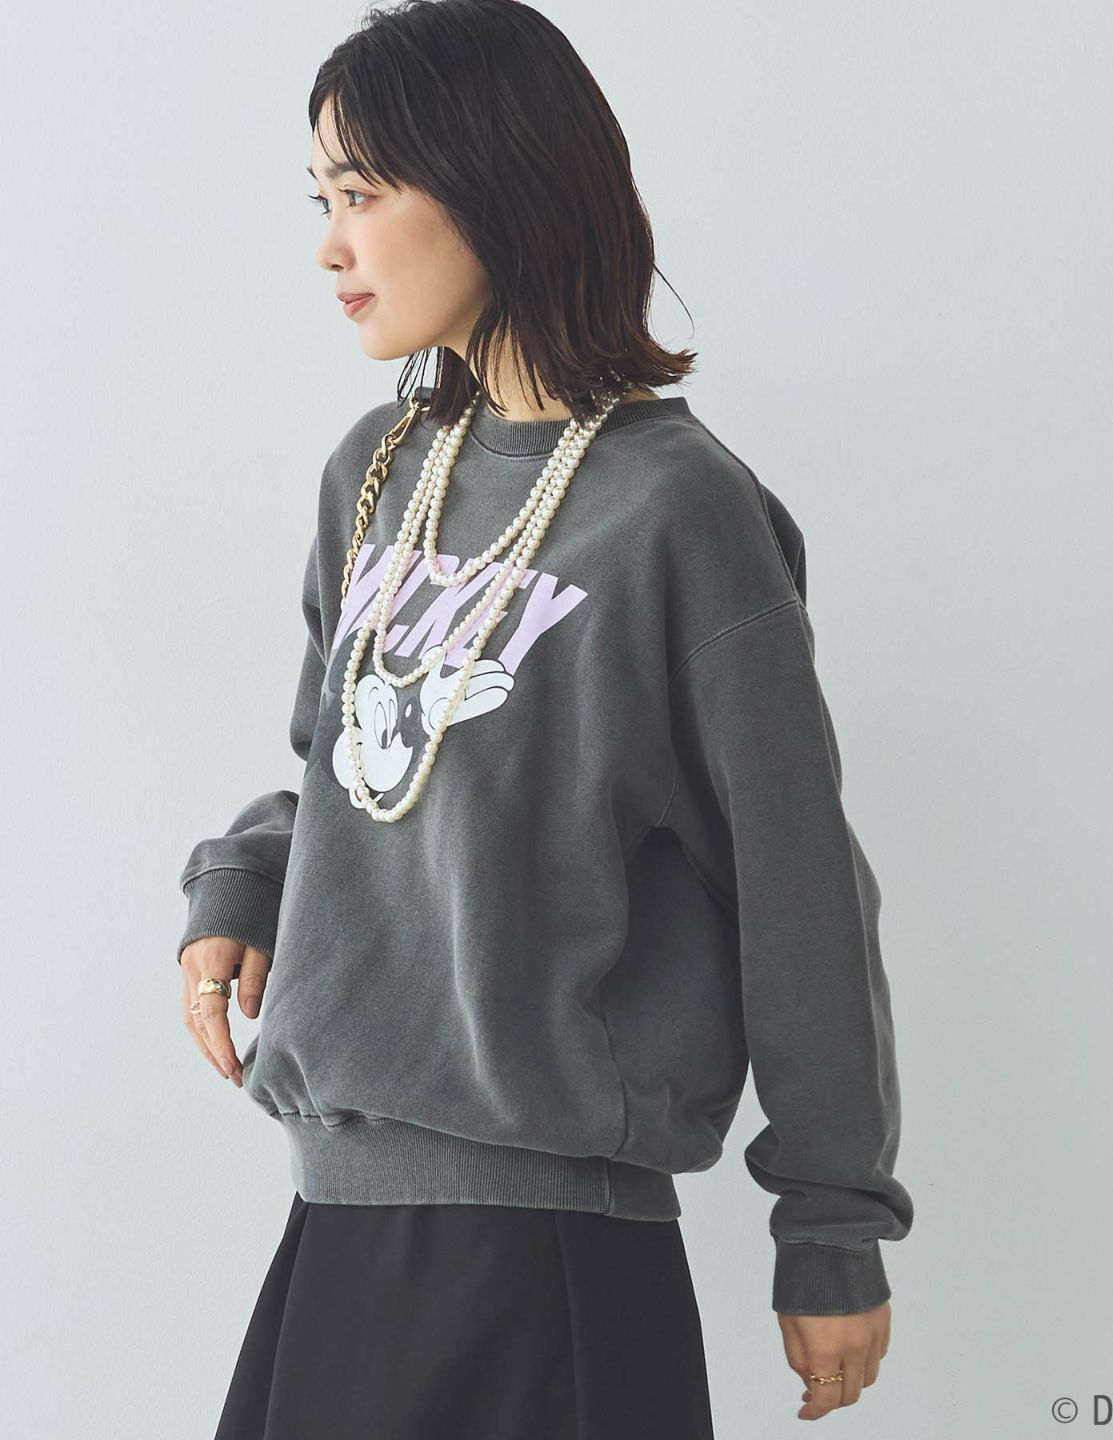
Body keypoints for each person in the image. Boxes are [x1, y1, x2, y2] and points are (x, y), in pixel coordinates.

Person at [176, 2, 914, 1434]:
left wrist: (831, 1226)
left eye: (362, 193)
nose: (329, 245)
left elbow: (798, 884)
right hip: (338, 1226)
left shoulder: (679, 512)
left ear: (494, 182)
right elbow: (345, 773)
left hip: (544, 1252)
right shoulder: (379, 472)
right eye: (322, 200)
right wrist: (246, 879)